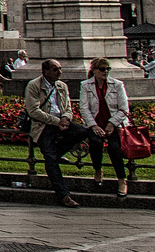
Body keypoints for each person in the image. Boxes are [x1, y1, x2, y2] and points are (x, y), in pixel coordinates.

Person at [23, 59, 91, 208]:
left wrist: (66, 118)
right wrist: (56, 121)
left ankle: (57, 153)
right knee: (50, 159)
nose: (59, 72)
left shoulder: (62, 86)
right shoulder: (34, 86)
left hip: (61, 123)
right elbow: (33, 111)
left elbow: (68, 107)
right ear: (45, 71)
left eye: (60, 69)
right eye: (55, 69)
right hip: (43, 125)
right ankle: (64, 195)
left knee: (82, 132)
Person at [82, 57, 135, 197]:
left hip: (115, 124)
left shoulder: (117, 84)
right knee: (95, 143)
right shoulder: (85, 85)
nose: (105, 72)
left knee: (114, 148)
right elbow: (84, 109)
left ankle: (122, 180)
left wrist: (112, 123)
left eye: (107, 69)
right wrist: (93, 125)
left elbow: (124, 109)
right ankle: (98, 170)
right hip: (96, 123)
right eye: (102, 69)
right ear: (94, 71)